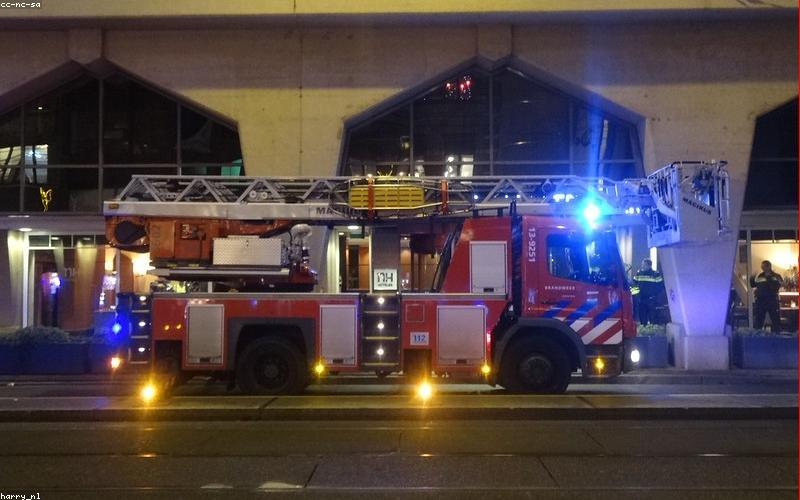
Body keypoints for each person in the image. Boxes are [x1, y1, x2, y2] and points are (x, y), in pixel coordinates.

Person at [750, 260, 783, 331]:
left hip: (772, 301)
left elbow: (775, 288)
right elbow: (753, 285)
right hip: (761, 301)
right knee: (759, 320)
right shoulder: (760, 276)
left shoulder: (776, 276)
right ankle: (757, 334)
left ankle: (777, 333)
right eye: (762, 267)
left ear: (769, 266)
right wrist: (752, 278)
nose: (762, 268)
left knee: (775, 319)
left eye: (764, 266)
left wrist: (768, 277)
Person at [633, 258, 664, 325]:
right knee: (642, 317)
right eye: (642, 264)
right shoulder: (639, 273)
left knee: (652, 317)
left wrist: (654, 294)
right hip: (641, 299)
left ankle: (651, 329)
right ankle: (643, 328)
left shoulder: (655, 274)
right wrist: (636, 295)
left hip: (651, 300)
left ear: (649, 265)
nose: (642, 266)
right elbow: (634, 284)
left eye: (644, 265)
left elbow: (660, 286)